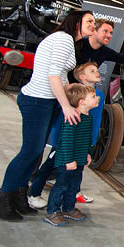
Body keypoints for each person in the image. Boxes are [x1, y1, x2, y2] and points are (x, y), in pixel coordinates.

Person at [28, 19, 124, 207]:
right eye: (105, 31)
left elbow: (123, 57)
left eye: (111, 33)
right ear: (94, 32)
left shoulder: (102, 58)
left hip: (82, 98)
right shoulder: (77, 46)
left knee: (75, 158)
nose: (108, 36)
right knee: (54, 148)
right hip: (67, 95)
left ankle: (68, 191)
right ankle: (34, 185)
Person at [0, 10, 96, 222]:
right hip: (37, 100)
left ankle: (18, 197)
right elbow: (52, 74)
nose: (93, 24)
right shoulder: (64, 39)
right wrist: (66, 105)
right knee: (30, 151)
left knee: (35, 153)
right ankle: (3, 199)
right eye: (89, 21)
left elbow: (60, 75)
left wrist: (71, 87)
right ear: (76, 23)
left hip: (45, 101)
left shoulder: (68, 41)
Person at [43, 83, 100, 227]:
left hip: (79, 160)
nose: (97, 98)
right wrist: (69, 160)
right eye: (93, 97)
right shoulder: (72, 117)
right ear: (82, 102)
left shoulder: (88, 117)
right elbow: (66, 141)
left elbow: (87, 139)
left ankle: (68, 208)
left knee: (74, 186)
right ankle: (52, 212)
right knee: (61, 186)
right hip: (66, 161)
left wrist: (87, 153)